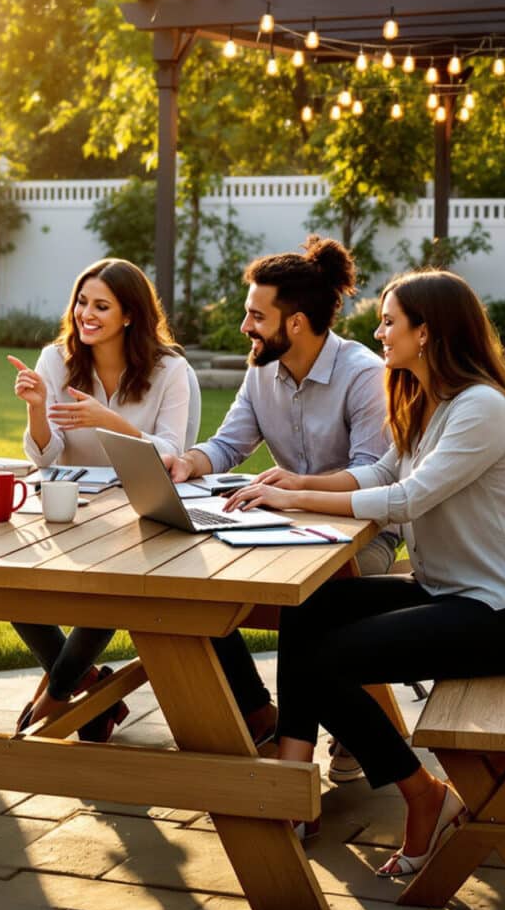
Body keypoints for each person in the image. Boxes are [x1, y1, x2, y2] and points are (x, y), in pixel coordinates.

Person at [237, 268, 505, 877]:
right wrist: (294, 483)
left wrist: (296, 501)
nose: (379, 333)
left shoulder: (480, 409)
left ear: (427, 333)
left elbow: (408, 499)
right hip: (448, 590)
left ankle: (424, 795)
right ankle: (294, 777)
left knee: (330, 659)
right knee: (307, 609)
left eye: (390, 322)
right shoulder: (423, 397)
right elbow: (381, 475)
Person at [165, 234, 397, 764]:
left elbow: (371, 477)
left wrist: (293, 490)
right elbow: (229, 445)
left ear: (295, 322)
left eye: (255, 316)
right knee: (195, 582)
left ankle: (299, 754)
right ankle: (256, 714)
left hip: (364, 535)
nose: (245, 326)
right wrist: (188, 463)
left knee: (306, 596)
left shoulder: (364, 377)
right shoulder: (261, 371)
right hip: (284, 530)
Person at [6, 258, 197, 742]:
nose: (86, 314)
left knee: (114, 586)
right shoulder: (56, 360)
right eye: (81, 302)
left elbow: (173, 453)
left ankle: (60, 690)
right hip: (71, 505)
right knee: (8, 579)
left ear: (129, 314)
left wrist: (106, 420)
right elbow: (46, 458)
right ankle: (88, 687)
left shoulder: (170, 369)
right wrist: (36, 411)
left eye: (101, 306)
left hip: (141, 509)